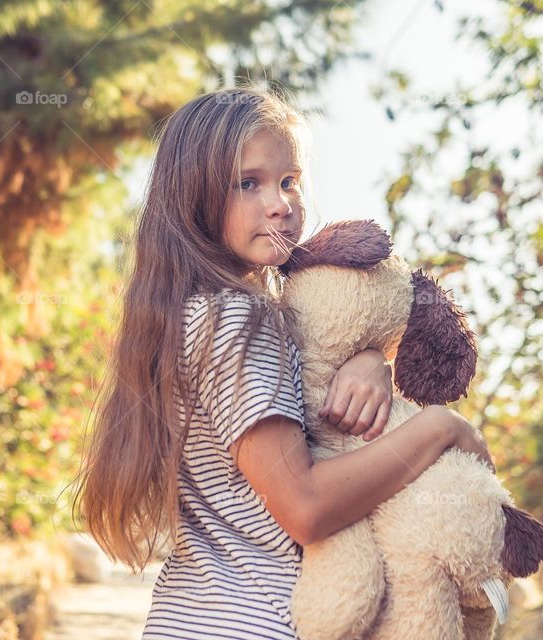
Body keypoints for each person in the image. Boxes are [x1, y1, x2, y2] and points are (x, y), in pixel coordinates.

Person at [72, 85, 495, 640]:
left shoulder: (191, 316)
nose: (281, 203)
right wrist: (442, 429)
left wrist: (370, 356)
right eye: (249, 183)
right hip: (261, 619)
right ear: (194, 198)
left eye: (290, 181)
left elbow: (313, 380)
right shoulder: (238, 322)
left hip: (191, 616)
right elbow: (305, 505)